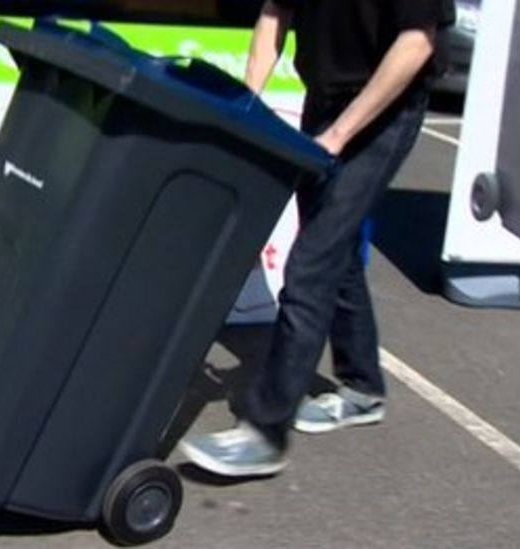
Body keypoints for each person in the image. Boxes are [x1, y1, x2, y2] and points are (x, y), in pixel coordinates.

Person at [179, 0, 454, 477]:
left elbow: (416, 42)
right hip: (325, 101)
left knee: (310, 264)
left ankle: (265, 432)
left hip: (388, 110)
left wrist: (340, 134)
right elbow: (275, 13)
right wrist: (247, 104)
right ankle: (363, 388)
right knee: (333, 250)